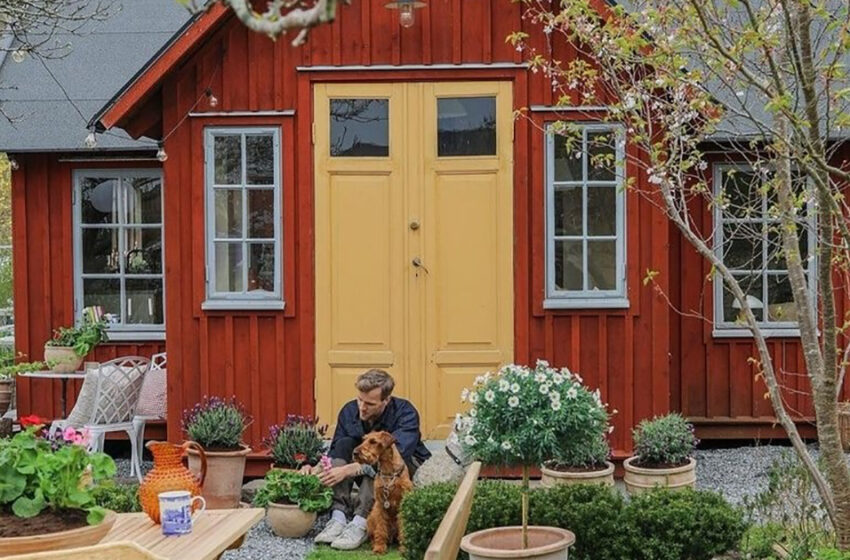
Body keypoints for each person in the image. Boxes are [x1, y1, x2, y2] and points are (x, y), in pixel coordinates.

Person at [308, 369, 431, 550]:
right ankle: (338, 517)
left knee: (379, 461)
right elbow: (334, 450)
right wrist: (313, 466)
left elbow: (400, 455)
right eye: (360, 400)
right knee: (343, 444)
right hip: (370, 469)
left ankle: (360, 521)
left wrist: (354, 468)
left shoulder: (406, 412)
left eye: (370, 403)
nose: (362, 407)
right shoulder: (349, 411)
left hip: (404, 469)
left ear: (386, 400)